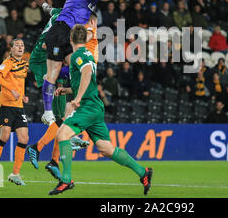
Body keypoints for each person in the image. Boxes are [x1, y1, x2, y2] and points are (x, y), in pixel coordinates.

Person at [49, 25, 153, 195]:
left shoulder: (77, 55)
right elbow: (86, 81)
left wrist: (77, 98)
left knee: (62, 135)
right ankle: (143, 172)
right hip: (95, 106)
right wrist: (67, 90)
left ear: (70, 39)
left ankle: (66, 180)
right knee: (106, 148)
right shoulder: (88, 53)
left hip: (88, 106)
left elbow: (87, 73)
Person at [42, 0, 140, 125]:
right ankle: (47, 112)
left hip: (69, 35)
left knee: (77, 72)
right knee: (53, 73)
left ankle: (70, 121)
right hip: (60, 31)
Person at [26, 1, 91, 179]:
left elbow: (47, 8)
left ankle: (54, 160)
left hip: (54, 60)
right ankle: (38, 147)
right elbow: (50, 46)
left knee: (63, 116)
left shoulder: (62, 13)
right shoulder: (67, 24)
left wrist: (43, 3)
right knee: (60, 115)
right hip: (42, 62)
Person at [0, 38, 29, 186]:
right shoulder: (8, 62)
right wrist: (11, 90)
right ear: (11, 49)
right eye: (17, 45)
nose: (20, 47)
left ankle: (15, 174)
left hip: (18, 106)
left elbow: (19, 83)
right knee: (4, 136)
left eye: (22, 45)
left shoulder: (24, 64)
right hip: (5, 104)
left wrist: (22, 95)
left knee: (24, 138)